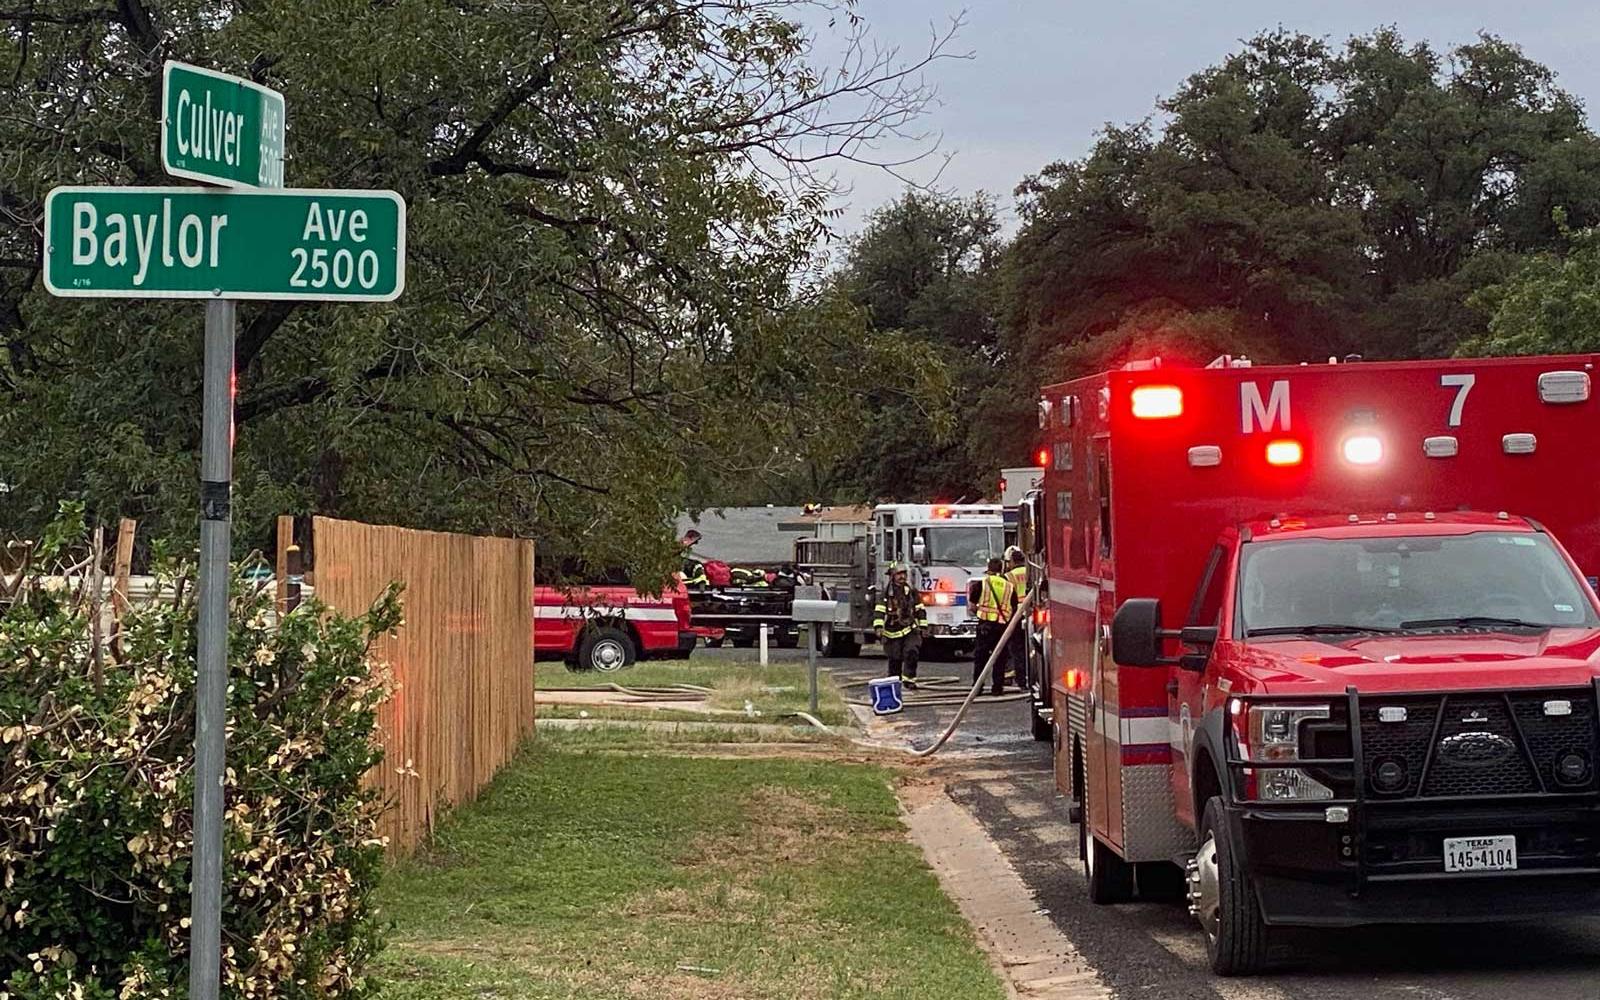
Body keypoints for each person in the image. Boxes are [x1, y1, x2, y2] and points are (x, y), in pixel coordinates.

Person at [874, 563, 927, 688]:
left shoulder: (911, 592)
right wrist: (878, 627)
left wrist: (923, 626)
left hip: (910, 629)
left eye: (904, 574)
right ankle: (894, 682)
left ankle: (909, 681)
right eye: (899, 574)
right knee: (895, 658)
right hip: (892, 631)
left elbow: (919, 609)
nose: (902, 577)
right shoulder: (886, 594)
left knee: (911, 651)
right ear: (892, 575)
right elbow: (879, 611)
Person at [973, 556, 1015, 694]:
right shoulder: (1009, 586)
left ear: (988, 569)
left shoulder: (982, 584)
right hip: (1002, 627)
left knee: (981, 657)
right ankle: (997, 688)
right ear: (1002, 569)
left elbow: (973, 605)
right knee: (1000, 658)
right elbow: (1013, 607)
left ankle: (977, 687)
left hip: (984, 625)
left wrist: (980, 613)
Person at [1005, 546, 1030, 691]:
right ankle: (1029, 676)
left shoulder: (1009, 576)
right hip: (1031, 613)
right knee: (1029, 648)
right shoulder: (1030, 572)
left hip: (1016, 615)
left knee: (1017, 649)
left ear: (1013, 561)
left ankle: (1021, 680)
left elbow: (1008, 596)